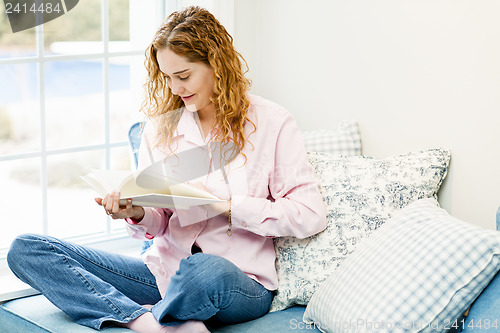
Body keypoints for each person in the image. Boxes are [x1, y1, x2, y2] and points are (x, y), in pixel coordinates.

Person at [7, 6, 327, 333]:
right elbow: (159, 223)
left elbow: (309, 214)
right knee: (27, 249)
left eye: (184, 76)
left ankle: (154, 314)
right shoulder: (160, 131)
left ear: (217, 64)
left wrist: (224, 207)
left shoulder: (271, 123)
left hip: (236, 281)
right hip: (164, 273)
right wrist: (136, 212)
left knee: (202, 270)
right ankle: (148, 322)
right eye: (168, 77)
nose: (175, 89)